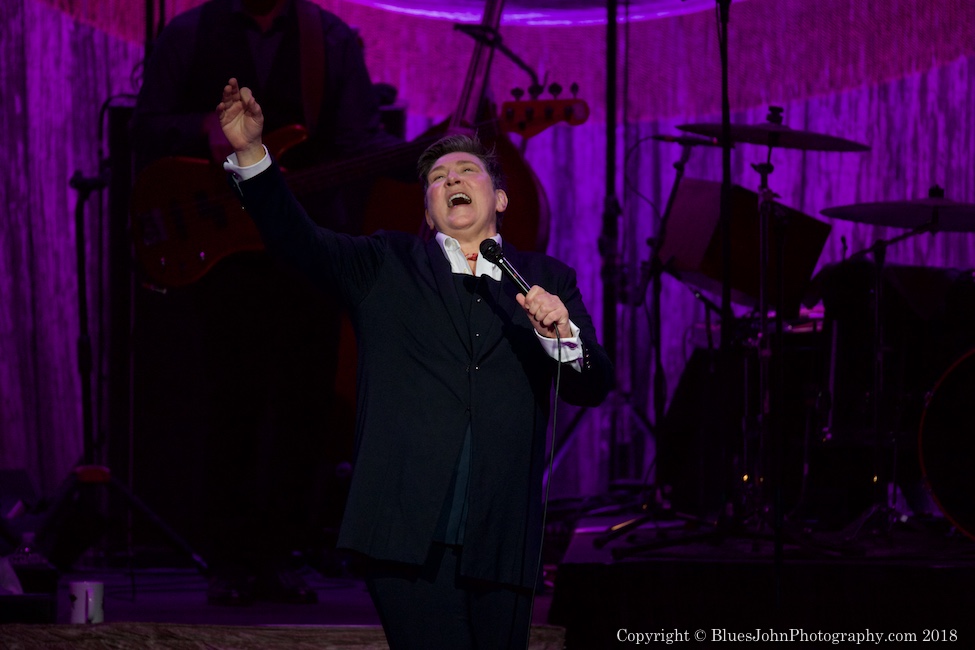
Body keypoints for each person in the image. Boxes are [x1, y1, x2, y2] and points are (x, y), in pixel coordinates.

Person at [208, 77, 615, 647]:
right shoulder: (383, 266)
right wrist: (251, 155)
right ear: (427, 208)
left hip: (504, 537)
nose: (451, 178)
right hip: (405, 535)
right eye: (437, 177)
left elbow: (593, 385)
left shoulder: (549, 280)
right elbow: (296, 240)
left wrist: (564, 335)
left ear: (500, 197)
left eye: (466, 170)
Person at [130, 0, 401, 606]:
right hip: (226, 254)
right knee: (232, 404)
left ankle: (281, 556)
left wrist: (430, 154)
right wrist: (196, 127)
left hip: (307, 249)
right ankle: (229, 559)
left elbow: (361, 139)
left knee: (305, 407)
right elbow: (144, 125)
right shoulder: (189, 34)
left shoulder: (328, 39)